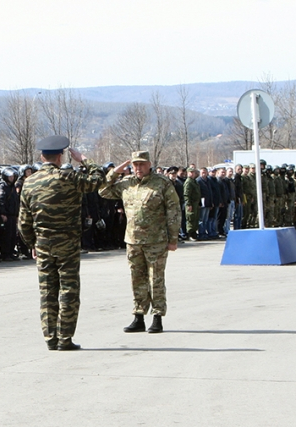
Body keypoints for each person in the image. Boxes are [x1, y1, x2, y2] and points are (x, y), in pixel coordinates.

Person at [18, 136, 104, 351]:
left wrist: (33, 244)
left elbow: (23, 222)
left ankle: (50, 338)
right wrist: (83, 159)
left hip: (44, 244)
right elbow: (98, 179)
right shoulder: (69, 177)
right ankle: (65, 338)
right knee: (69, 290)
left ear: (41, 156)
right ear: (60, 156)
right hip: (67, 244)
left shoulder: (30, 182)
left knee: (47, 291)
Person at [99, 151, 180, 334]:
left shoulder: (161, 183)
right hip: (133, 240)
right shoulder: (126, 184)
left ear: (149, 164)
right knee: (137, 279)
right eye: (135, 165)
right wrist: (115, 172)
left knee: (156, 279)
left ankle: (157, 317)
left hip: (156, 240)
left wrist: (173, 238)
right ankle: (139, 315)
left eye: (142, 164)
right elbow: (103, 190)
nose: (138, 168)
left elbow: (173, 211)